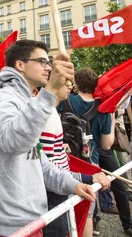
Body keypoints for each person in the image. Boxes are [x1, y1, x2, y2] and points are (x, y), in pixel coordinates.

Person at [0, 40, 96, 237]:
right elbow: (13, 142)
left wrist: (72, 184)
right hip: (7, 226)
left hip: (32, 221)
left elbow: (37, 161)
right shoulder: (4, 98)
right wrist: (49, 91)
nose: (48, 67)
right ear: (20, 65)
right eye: (42, 61)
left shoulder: (29, 102)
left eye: (48, 62)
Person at [59, 68, 132, 237]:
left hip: (64, 159)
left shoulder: (65, 101)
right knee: (86, 213)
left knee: (62, 209)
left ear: (76, 83)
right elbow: (106, 144)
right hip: (90, 162)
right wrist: (111, 120)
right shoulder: (103, 109)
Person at [40, 80, 110, 237]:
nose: (70, 86)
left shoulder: (52, 114)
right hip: (53, 197)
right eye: (65, 81)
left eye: (71, 82)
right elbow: (48, 170)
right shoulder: (48, 116)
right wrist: (86, 178)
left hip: (57, 192)